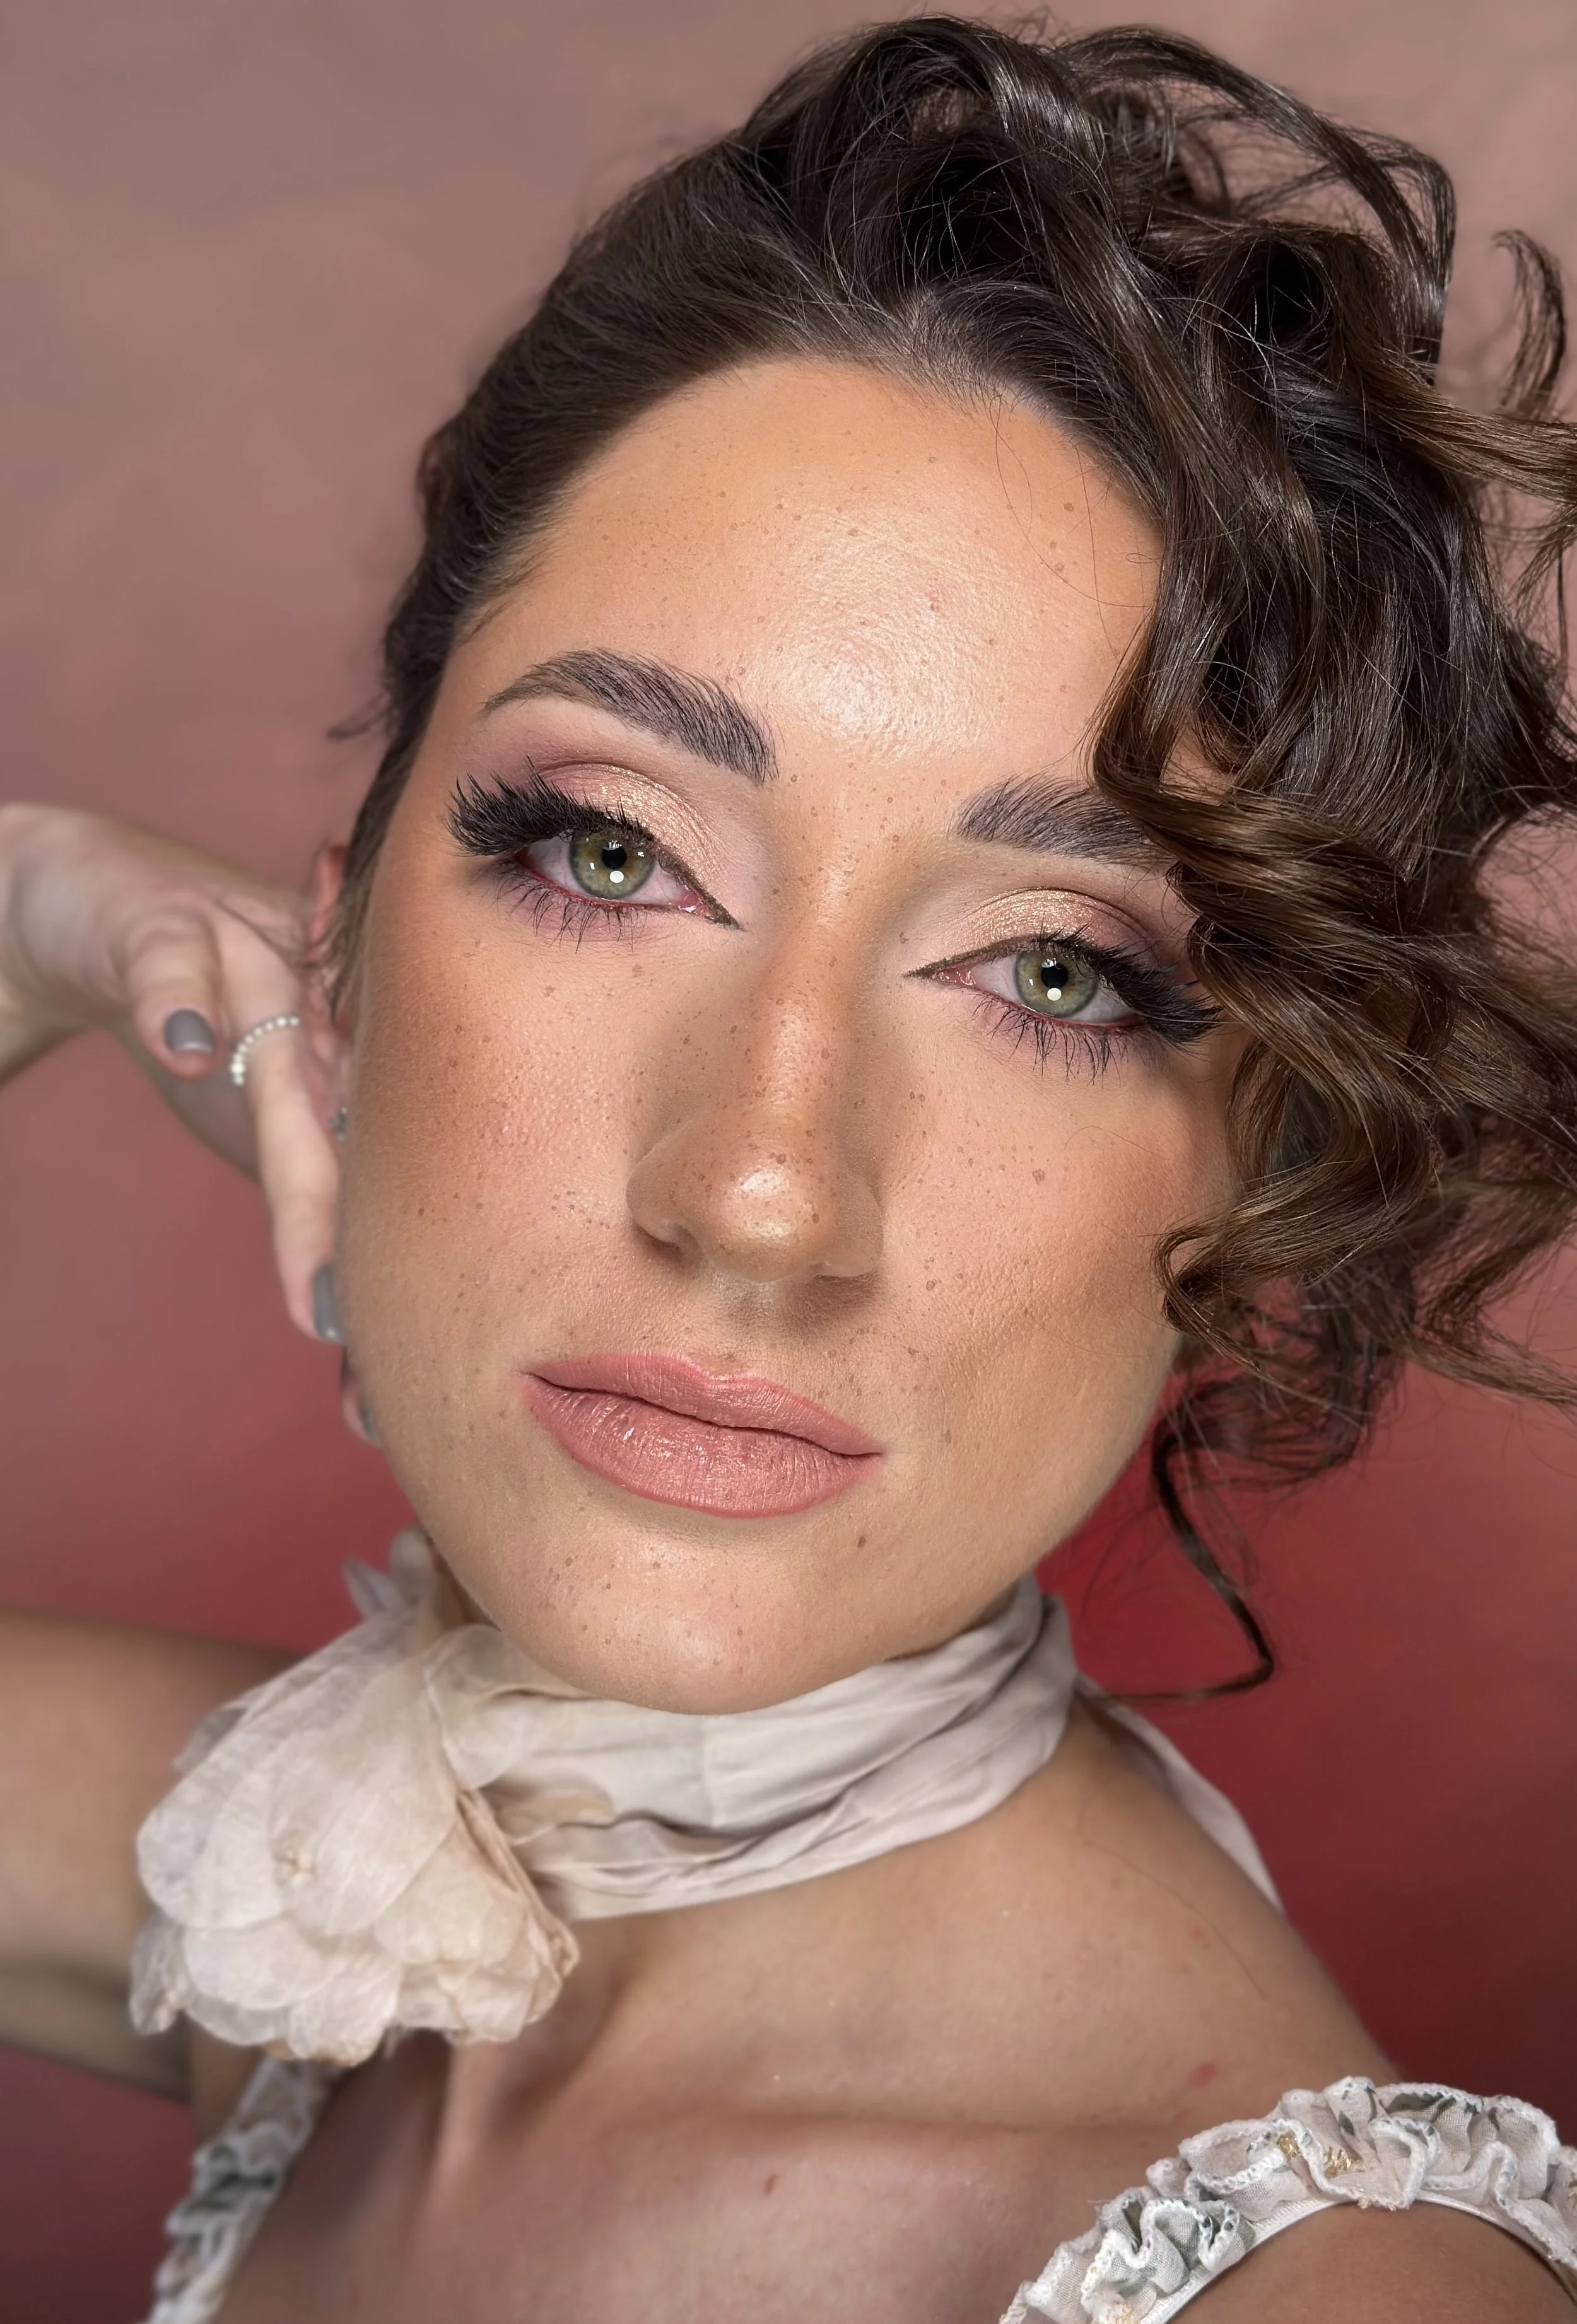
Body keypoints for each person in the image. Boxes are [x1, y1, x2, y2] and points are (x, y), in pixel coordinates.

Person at [3, 16, 1577, 2320]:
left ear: (1274, 1161)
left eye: (1058, 974)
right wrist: (43, 900)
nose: (758, 1193)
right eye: (611, 848)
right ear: (341, 932)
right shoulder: (335, 1909)